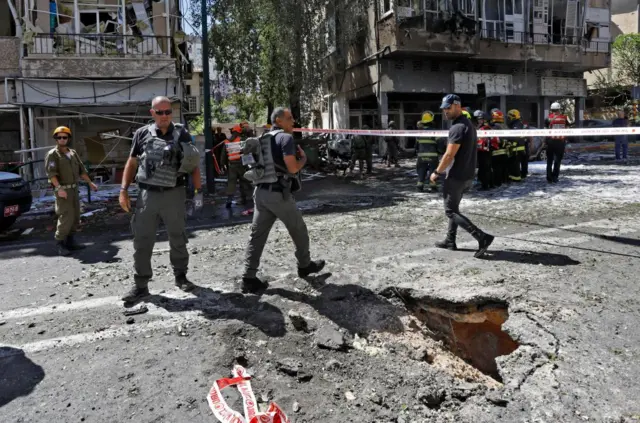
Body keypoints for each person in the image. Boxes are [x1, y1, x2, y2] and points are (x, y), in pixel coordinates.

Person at [119, 96, 202, 303]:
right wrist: (123, 190)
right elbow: (131, 163)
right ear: (152, 113)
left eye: (168, 112)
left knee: (178, 237)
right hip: (147, 195)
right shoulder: (141, 134)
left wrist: (199, 190)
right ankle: (141, 285)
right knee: (142, 240)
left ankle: (181, 276)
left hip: (174, 194)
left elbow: (193, 163)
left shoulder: (182, 133)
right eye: (160, 112)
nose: (165, 116)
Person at [241, 107, 325, 293]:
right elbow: (293, 168)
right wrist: (302, 159)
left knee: (257, 236)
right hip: (278, 194)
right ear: (278, 120)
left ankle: (248, 277)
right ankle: (304, 265)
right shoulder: (285, 138)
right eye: (289, 118)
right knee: (299, 230)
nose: (293, 121)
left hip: (260, 193)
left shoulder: (263, 139)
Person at [430, 94, 494, 258]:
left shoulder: (457, 127)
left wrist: (437, 172)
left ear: (458, 106)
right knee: (454, 209)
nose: (445, 111)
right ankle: (450, 240)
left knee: (450, 211)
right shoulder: (469, 125)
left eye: (448, 108)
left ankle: (482, 237)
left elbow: (449, 155)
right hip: (467, 174)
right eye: (444, 108)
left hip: (456, 175)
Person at [45, 126, 99, 256]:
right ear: (56, 139)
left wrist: (90, 182)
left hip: (74, 190)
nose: (62, 139)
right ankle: (60, 243)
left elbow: (81, 171)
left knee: (75, 216)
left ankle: (71, 241)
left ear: (68, 138)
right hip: (63, 190)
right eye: (59, 137)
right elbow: (51, 174)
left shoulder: (73, 153)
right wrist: (59, 189)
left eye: (65, 137)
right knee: (65, 216)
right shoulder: (53, 154)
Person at [221, 124, 252, 208]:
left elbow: (223, 155)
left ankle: (229, 200)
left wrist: (222, 165)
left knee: (231, 183)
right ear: (239, 132)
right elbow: (247, 152)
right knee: (244, 182)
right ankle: (245, 199)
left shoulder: (226, 141)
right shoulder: (242, 140)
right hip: (241, 165)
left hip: (231, 166)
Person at [415, 111, 439, 192]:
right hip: (433, 156)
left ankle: (419, 186)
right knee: (433, 171)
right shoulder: (435, 132)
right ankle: (433, 186)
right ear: (431, 121)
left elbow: (416, 145)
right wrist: (440, 151)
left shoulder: (419, 132)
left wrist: (417, 152)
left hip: (421, 156)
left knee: (421, 170)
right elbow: (440, 143)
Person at [545, 102, 569, 183]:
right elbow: (568, 128)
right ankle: (555, 177)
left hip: (550, 142)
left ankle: (549, 177)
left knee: (549, 160)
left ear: (551, 109)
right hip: (560, 142)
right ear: (559, 109)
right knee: (557, 160)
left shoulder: (548, 118)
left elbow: (545, 130)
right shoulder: (564, 118)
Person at [473, 111, 494, 190]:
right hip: (482, 151)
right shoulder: (481, 127)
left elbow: (484, 140)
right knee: (485, 168)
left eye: (481, 119)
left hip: (485, 151)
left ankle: (485, 185)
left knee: (484, 168)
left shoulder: (485, 128)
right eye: (478, 119)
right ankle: (489, 184)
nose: (479, 121)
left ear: (485, 120)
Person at [506, 109, 527, 181]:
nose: (508, 119)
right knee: (514, 164)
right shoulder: (518, 123)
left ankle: (516, 178)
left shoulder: (516, 124)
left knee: (515, 164)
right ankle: (515, 176)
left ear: (513, 116)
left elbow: (515, 136)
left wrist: (507, 138)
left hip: (517, 148)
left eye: (509, 117)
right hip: (518, 147)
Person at [489, 110, 509, 186]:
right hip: (505, 151)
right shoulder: (505, 126)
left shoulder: (494, 127)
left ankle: (497, 183)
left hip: (496, 150)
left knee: (497, 168)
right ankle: (504, 180)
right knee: (504, 167)